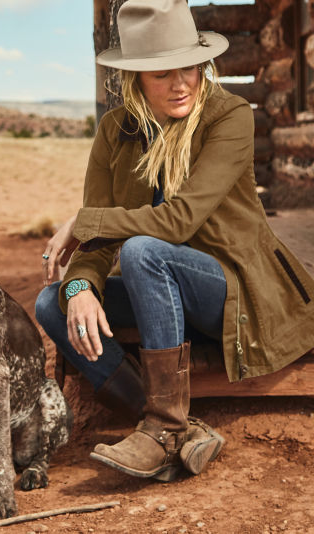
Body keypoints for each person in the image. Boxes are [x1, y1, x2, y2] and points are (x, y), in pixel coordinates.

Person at [35, 0, 314, 482]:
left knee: (144, 251)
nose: (181, 82)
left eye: (189, 66)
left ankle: (163, 428)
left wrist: (85, 220)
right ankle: (175, 428)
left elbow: (178, 221)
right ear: (136, 78)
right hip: (158, 291)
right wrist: (80, 287)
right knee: (49, 302)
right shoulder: (114, 132)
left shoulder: (229, 117)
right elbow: (99, 244)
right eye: (162, 72)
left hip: (231, 291)